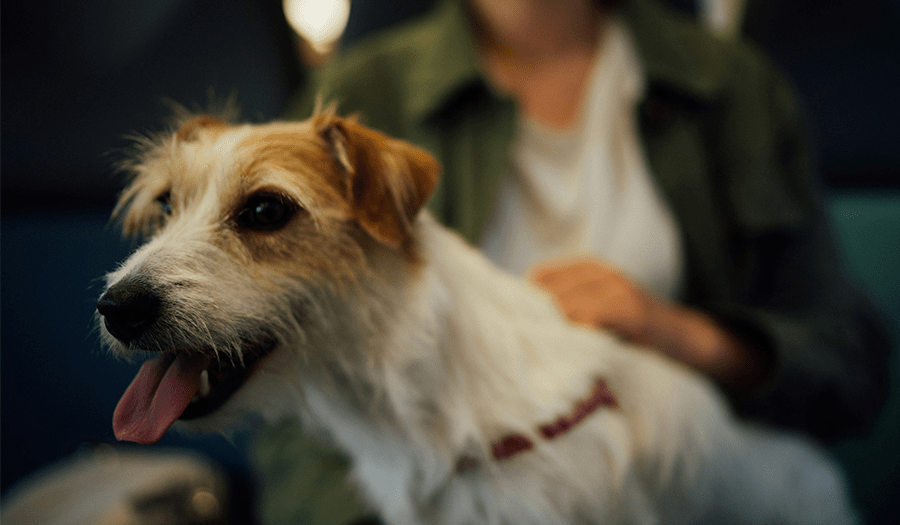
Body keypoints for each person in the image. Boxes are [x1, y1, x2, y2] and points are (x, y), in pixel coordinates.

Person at [256, 0, 891, 523]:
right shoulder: (358, 96)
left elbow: (850, 366)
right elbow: (290, 414)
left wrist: (676, 333)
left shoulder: (732, 85)